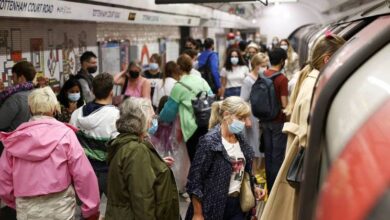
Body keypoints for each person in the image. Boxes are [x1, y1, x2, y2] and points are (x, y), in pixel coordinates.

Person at [261, 34, 345, 220]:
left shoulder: (308, 80)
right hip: (303, 168)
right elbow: (309, 137)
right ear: (328, 59)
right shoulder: (314, 87)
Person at [0, 87, 100, 220]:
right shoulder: (66, 135)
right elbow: (83, 174)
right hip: (60, 205)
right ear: (54, 109)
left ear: (30, 109)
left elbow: (4, 178)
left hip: (27, 207)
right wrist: (90, 208)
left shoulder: (15, 140)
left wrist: (15, 202)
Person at [185, 96, 265, 220]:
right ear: (227, 115)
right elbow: (195, 181)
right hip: (213, 207)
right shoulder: (210, 142)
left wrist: (253, 187)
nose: (244, 122)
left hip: (237, 205)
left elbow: (244, 172)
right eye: (240, 118)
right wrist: (198, 213)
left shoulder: (241, 141)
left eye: (245, 118)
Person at [105, 97, 180, 220]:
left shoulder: (126, 143)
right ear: (141, 120)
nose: (153, 120)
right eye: (151, 117)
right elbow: (142, 199)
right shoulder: (136, 150)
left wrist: (156, 164)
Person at [70, 73, 119, 198]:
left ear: (93, 91)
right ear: (111, 92)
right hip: (109, 173)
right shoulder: (115, 116)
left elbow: (72, 144)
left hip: (84, 171)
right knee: (118, 210)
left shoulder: (77, 114)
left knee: (88, 213)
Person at [159, 54, 212, 162]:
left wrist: (159, 117)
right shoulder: (201, 81)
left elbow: (168, 113)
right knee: (207, 160)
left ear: (178, 68)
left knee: (195, 162)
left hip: (191, 129)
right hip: (208, 124)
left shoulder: (179, 86)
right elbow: (212, 99)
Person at [261, 48, 289, 192]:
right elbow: (285, 104)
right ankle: (275, 192)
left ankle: (269, 188)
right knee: (277, 158)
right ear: (283, 61)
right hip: (278, 122)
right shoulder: (282, 79)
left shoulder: (263, 74)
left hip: (264, 121)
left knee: (269, 156)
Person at [241, 53, 269, 159]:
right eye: (262, 65)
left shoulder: (264, 77)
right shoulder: (248, 80)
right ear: (255, 64)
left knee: (261, 143)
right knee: (253, 143)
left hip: (263, 115)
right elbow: (243, 100)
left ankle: (260, 171)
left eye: (266, 65)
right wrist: (246, 118)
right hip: (252, 115)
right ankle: (253, 171)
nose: (265, 68)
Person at [0, 61, 36, 132]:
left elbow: (1, 123)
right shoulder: (37, 92)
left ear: (21, 78)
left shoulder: (15, 98)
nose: (12, 80)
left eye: (13, 76)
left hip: (13, 140)